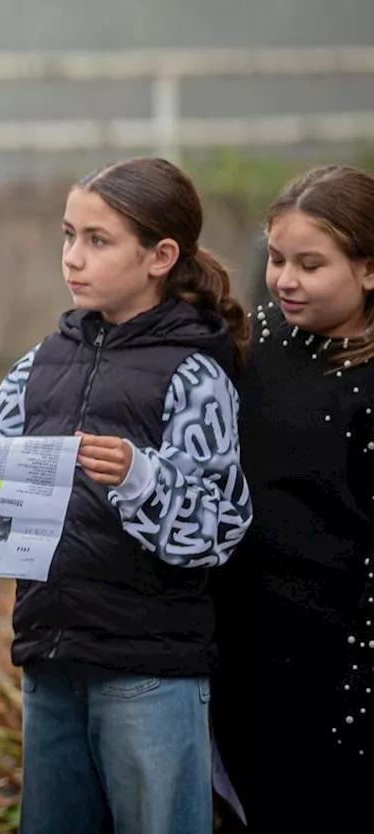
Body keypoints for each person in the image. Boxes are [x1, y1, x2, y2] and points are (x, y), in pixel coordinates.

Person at [0, 157, 253, 834]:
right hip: (49, 658)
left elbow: (220, 529)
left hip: (150, 672)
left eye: (98, 241)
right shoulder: (41, 361)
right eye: (68, 236)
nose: (73, 258)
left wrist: (141, 478)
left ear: (160, 256)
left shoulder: (193, 372)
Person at [211, 165, 374, 832]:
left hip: (336, 668)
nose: (285, 279)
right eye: (276, 258)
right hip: (242, 650)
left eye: (311, 264)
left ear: (368, 270)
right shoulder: (258, 344)